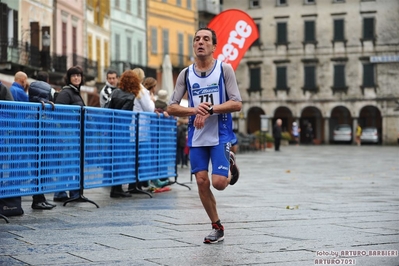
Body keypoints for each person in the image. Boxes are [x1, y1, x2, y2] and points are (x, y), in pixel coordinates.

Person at [167, 27, 242, 244]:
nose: (201, 42)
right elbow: (171, 107)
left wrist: (211, 110)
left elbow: (237, 103)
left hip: (220, 133)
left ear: (214, 46)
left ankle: (229, 163)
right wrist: (194, 110)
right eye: (197, 39)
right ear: (193, 45)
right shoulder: (185, 74)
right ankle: (217, 226)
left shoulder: (224, 69)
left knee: (218, 183)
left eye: (206, 39)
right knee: (201, 182)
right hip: (197, 134)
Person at [9, 71, 56, 210]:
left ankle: (40, 197)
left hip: (25, 136)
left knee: (40, 166)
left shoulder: (38, 109)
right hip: (24, 137)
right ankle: (37, 199)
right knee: (38, 166)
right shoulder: (33, 110)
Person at [106, 70, 142, 197]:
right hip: (122, 132)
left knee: (114, 159)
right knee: (121, 159)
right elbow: (125, 117)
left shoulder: (115, 92)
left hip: (112, 130)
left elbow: (107, 109)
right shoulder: (130, 96)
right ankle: (117, 189)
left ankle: (114, 188)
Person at [53, 66, 86, 202]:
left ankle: (74, 193)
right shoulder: (66, 93)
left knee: (73, 163)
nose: (76, 78)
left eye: (78, 75)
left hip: (75, 133)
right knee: (67, 163)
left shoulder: (75, 92)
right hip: (69, 134)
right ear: (69, 78)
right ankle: (60, 193)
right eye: (73, 76)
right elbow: (59, 113)